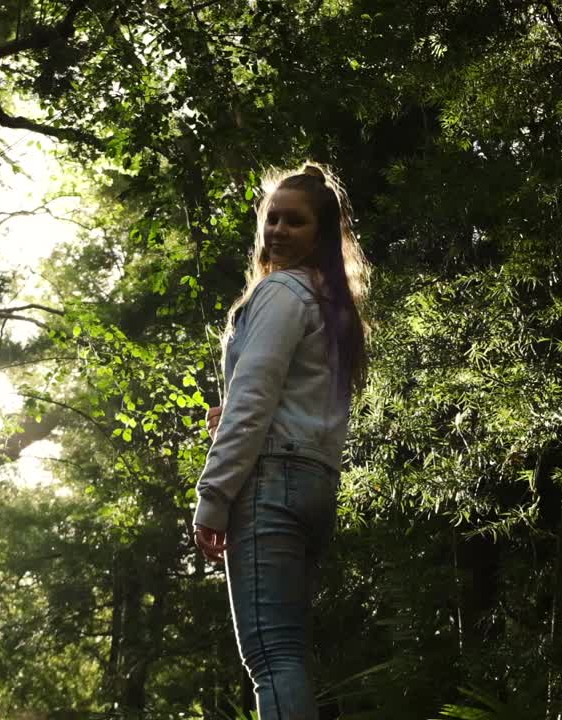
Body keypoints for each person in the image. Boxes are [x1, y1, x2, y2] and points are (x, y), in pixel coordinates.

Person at [192, 163, 370, 720]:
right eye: (272, 218)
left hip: (272, 482)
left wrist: (213, 496)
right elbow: (287, 397)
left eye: (295, 222)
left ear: (320, 234)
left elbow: (253, 401)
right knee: (286, 650)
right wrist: (243, 409)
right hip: (313, 483)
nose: (278, 231)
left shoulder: (281, 292)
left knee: (273, 656)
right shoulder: (330, 305)